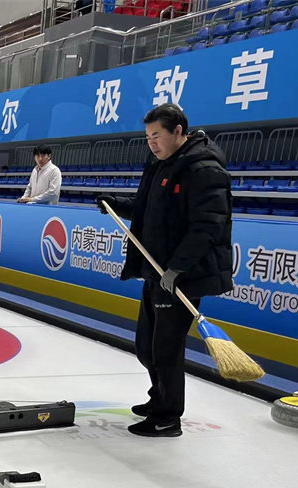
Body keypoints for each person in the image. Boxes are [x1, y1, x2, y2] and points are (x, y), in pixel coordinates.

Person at [95, 103, 233, 438]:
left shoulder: (203, 168)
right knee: (146, 345)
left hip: (183, 276)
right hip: (156, 270)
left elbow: (208, 225)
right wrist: (116, 205)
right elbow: (146, 209)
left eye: (157, 136)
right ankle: (158, 397)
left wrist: (177, 269)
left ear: (178, 132)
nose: (152, 143)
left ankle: (168, 417)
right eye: (148, 137)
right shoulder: (159, 164)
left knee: (166, 350)